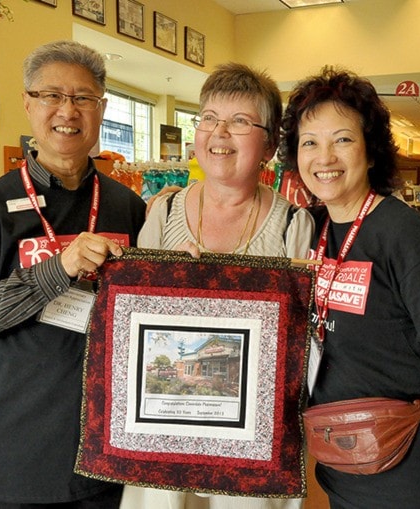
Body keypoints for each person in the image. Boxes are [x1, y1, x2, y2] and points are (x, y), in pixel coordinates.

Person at [0, 40, 146, 508]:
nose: (67, 110)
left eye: (83, 97)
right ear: (28, 104)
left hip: (108, 447)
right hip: (19, 452)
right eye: (52, 95)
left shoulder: (126, 205)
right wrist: (57, 271)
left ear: (102, 108)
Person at [278, 66, 420, 509]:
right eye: (309, 142)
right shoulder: (311, 231)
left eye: (343, 139)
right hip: (343, 462)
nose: (324, 157)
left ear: (371, 151)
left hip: (408, 470)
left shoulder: (411, 239)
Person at [120, 63, 315, 509]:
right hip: (167, 425)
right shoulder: (162, 213)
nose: (219, 132)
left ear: (268, 145)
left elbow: (302, 338)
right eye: (208, 117)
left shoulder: (291, 224)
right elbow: (135, 330)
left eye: (240, 121)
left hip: (254, 435)